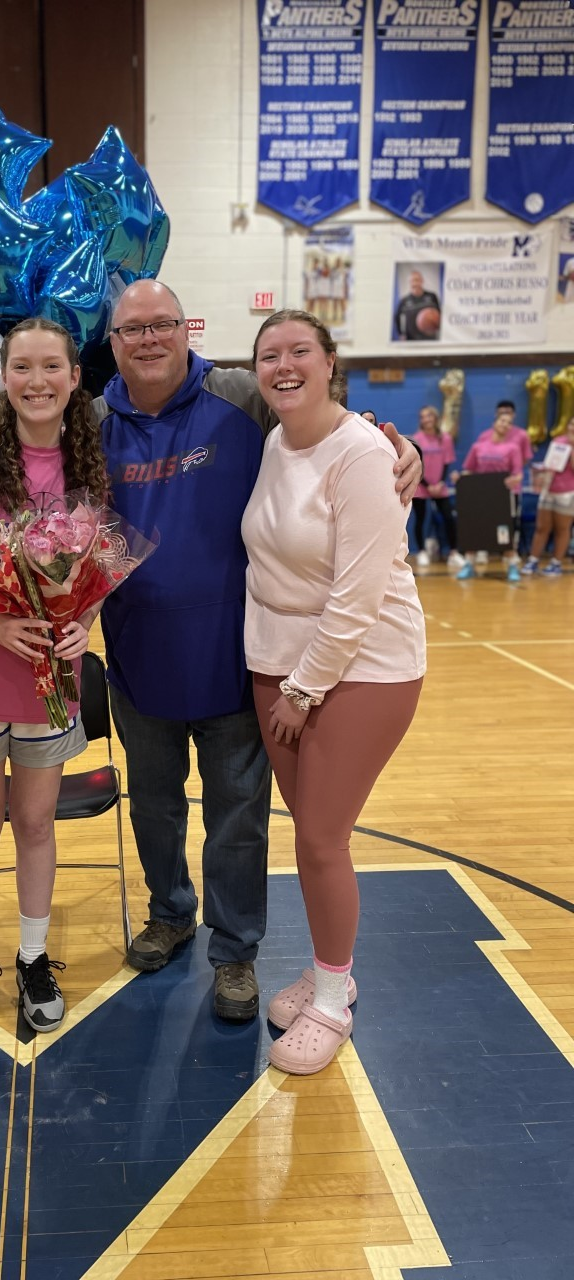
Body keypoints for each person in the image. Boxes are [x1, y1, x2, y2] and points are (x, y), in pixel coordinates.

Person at [94, 280, 423, 1023]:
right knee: (152, 802)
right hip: (138, 655)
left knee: (239, 814)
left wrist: (401, 445)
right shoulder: (92, 423)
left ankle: (235, 951)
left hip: (238, 658)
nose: (148, 339)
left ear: (188, 330)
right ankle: (170, 910)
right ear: (111, 345)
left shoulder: (239, 396)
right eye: (131, 329)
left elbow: (326, 420)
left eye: (163, 324)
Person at [242, 309, 426, 1075]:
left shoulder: (361, 453)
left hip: (359, 669)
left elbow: (355, 597)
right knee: (311, 834)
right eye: (269, 355)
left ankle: (333, 999)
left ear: (330, 363)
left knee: (321, 839)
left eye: (299, 353)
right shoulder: (274, 442)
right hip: (279, 666)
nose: (283, 366)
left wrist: (305, 689)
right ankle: (327, 971)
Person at [0, 318, 108, 1035]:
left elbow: (100, 566)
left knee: (35, 822)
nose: (37, 382)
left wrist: (85, 622)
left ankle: (34, 957)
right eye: (22, 368)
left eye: (51, 368)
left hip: (50, 681)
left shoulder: (92, 464)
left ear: (74, 378)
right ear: (3, 378)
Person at [452, 411, 525, 582]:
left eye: (509, 423)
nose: (505, 424)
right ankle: (469, 565)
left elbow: (518, 474)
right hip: (481, 496)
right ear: (495, 422)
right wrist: (459, 477)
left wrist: (514, 480)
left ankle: (512, 566)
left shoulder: (513, 448)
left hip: (503, 498)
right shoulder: (479, 446)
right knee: (475, 529)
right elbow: (469, 469)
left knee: (505, 532)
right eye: (502, 420)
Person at [410, 405, 463, 572]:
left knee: (448, 517)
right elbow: (416, 463)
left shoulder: (445, 439)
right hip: (421, 485)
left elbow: (447, 462)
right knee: (420, 519)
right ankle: (422, 551)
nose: (426, 419)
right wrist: (427, 485)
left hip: (440, 486)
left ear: (435, 418)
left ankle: (454, 553)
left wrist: (439, 483)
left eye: (429, 416)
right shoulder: (416, 439)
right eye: (423, 417)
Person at [522, 416, 574, 576]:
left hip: (567, 492)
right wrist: (540, 471)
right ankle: (533, 560)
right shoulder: (558, 440)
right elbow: (550, 463)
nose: (573, 427)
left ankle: (556, 562)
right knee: (541, 527)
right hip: (549, 489)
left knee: (562, 528)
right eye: (572, 424)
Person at [394, 270, 441, 341]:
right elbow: (396, 317)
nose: (415, 283)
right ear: (409, 283)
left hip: (430, 338)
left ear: (422, 281)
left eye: (417, 280)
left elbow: (439, 314)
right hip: (411, 339)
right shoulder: (404, 301)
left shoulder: (432, 296)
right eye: (412, 281)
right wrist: (401, 333)